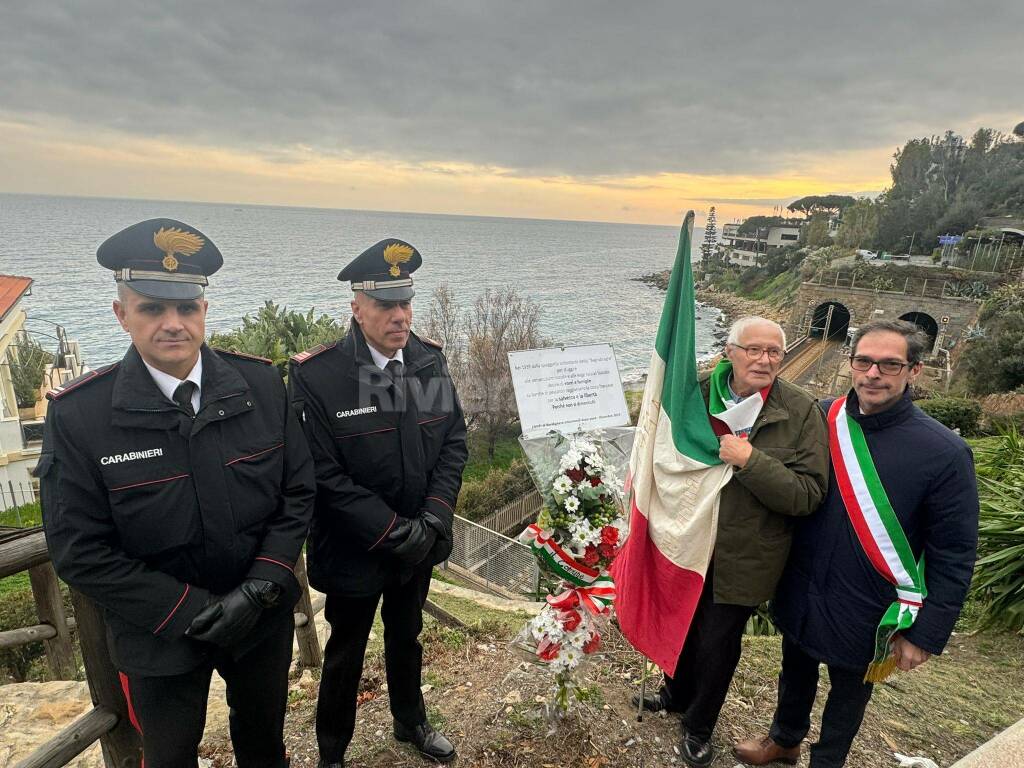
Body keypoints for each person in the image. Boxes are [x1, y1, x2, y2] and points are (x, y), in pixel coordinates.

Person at [39, 218, 316, 768]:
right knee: (168, 757)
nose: (173, 323)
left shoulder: (260, 386)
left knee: (265, 746)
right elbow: (80, 551)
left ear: (204, 311)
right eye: (151, 308)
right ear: (122, 314)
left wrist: (261, 587)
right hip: (159, 634)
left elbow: (298, 492)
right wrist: (192, 611)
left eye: (186, 307)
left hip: (259, 617)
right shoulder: (81, 416)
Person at [734, 319, 979, 768]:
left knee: (849, 695)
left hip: (870, 601)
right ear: (851, 363)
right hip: (803, 580)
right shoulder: (822, 416)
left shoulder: (944, 452)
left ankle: (827, 762)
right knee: (796, 668)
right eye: (864, 361)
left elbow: (954, 552)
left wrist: (924, 634)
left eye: (890, 364)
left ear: (915, 372)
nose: (873, 374)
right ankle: (784, 740)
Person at [288, 238, 468, 767]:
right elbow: (322, 473)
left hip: (419, 538)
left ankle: (410, 722)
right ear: (356, 308)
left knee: (407, 637)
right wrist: (393, 531)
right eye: (386, 304)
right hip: (357, 547)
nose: (399, 315)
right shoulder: (319, 376)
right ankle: (332, 752)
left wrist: (433, 517)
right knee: (346, 652)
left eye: (405, 302)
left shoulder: (427, 363)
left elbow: (451, 442)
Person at [634, 316, 829, 767]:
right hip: (686, 537)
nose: (764, 360)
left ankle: (700, 726)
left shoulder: (799, 411)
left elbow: (807, 495)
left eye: (774, 352)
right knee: (680, 623)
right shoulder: (696, 394)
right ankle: (675, 695)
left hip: (746, 552)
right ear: (730, 353)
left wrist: (751, 461)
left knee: (718, 644)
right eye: (753, 349)